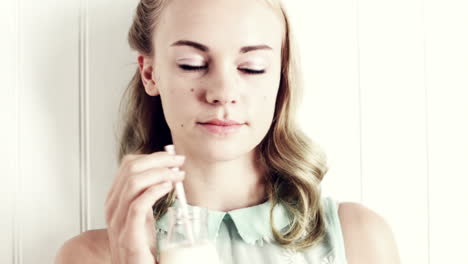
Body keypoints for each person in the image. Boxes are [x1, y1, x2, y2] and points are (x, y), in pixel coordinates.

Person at [55, 0, 401, 263]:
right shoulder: (92, 255)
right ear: (150, 73)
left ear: (279, 75)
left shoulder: (358, 239)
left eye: (252, 68)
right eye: (192, 64)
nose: (223, 92)